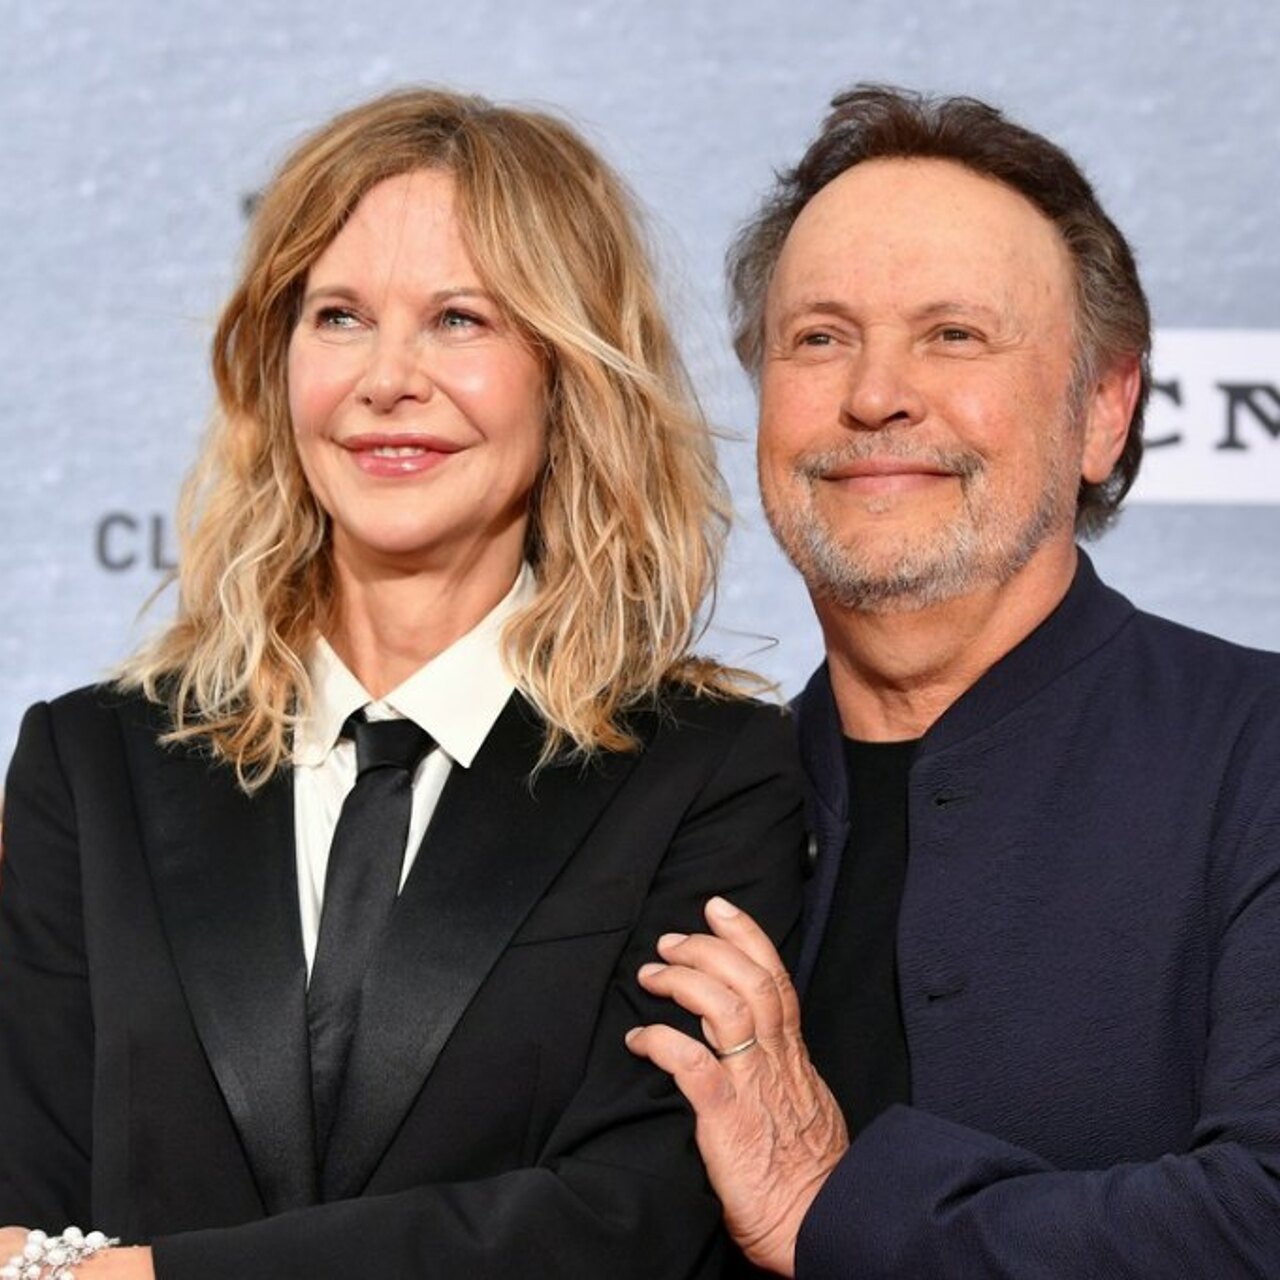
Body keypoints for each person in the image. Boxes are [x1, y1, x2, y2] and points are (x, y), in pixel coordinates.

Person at [0, 88, 807, 1280]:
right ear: (276, 363)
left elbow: (626, 1216)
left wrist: (143, 1275)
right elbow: (22, 1196)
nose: (387, 377)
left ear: (566, 369)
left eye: (457, 319)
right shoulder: (91, 766)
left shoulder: (709, 775)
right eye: (338, 316)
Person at [626, 85, 1280, 1276]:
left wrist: (838, 1214)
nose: (875, 393)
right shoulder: (685, 805)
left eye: (953, 335)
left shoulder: (1258, 753)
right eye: (818, 338)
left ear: (1102, 408)